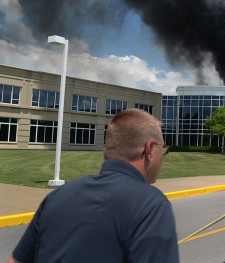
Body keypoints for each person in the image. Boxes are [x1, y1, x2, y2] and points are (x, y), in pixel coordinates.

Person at [9, 108, 179, 263]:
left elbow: (16, 260)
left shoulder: (57, 196)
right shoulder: (151, 205)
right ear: (149, 149)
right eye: (162, 149)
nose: (162, 157)